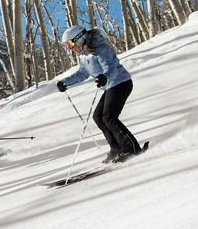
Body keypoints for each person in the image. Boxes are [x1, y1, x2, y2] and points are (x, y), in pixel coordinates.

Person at [56, 26, 142, 163]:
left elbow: (111, 67)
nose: (69, 48)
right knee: (98, 117)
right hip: (110, 86)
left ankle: (132, 148)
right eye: (66, 45)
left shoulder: (99, 48)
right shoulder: (84, 54)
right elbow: (82, 73)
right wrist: (65, 82)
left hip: (121, 83)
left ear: (79, 38)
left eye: (70, 44)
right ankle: (116, 148)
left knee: (109, 117)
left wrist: (105, 77)